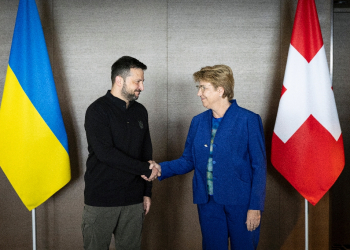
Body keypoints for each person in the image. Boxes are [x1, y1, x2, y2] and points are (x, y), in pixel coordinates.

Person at [145, 65, 266, 249]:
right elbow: (188, 160)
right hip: (208, 203)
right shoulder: (198, 122)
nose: (199, 93)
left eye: (204, 88)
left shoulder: (249, 120)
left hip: (241, 204)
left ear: (220, 90)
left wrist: (255, 207)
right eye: (198, 88)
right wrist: (161, 168)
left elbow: (259, 166)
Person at [82, 56, 160, 250]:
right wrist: (145, 168)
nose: (141, 87)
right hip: (101, 201)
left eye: (142, 82)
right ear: (119, 80)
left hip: (133, 201)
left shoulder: (141, 111)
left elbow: (146, 152)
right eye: (137, 81)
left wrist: (146, 192)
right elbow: (105, 153)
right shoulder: (97, 110)